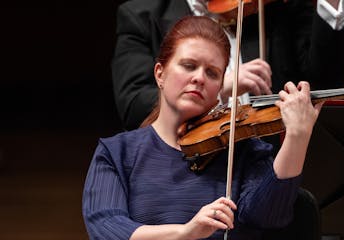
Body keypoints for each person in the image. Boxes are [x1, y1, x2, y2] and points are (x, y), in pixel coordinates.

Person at [83, 16, 323, 240]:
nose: (199, 78)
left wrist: (297, 137)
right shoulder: (117, 152)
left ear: (219, 88)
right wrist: (185, 233)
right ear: (160, 74)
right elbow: (106, 225)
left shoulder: (242, 150)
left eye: (212, 72)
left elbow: (270, 216)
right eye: (189, 65)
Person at [112, 0, 344, 131]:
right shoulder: (140, 15)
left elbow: (326, 80)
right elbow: (135, 106)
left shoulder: (276, 11)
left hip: (266, 172)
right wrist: (220, 86)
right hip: (178, 170)